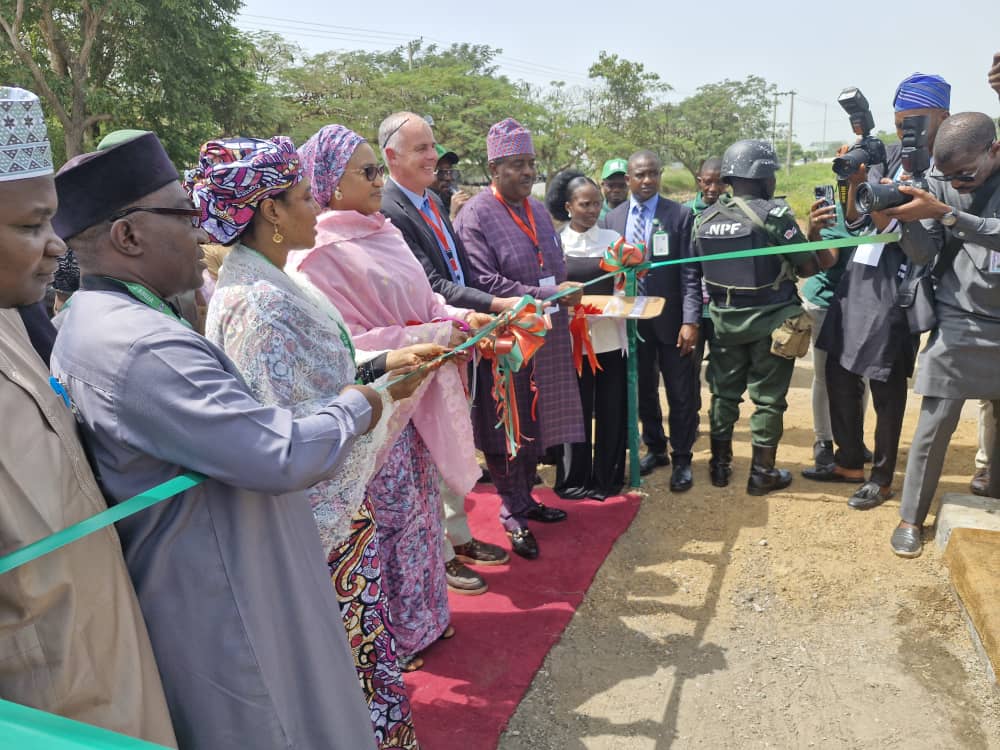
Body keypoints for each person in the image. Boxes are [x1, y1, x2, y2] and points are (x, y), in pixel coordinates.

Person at [50, 130, 380, 750]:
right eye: (182, 213)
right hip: (229, 596)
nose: (202, 229)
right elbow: (279, 452)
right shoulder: (142, 346)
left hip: (220, 571)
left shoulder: (97, 322)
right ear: (127, 235)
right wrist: (357, 406)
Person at [192, 136, 433, 748]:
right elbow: (288, 433)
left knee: (363, 666)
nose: (315, 208)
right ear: (271, 212)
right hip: (317, 527)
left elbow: (322, 377)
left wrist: (381, 363)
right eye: (304, 197)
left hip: (335, 512)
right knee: (347, 676)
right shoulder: (261, 306)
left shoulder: (272, 282)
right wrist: (377, 399)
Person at [0, 86, 176, 748]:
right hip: (44, 711)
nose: (54, 248)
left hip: (113, 671)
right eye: (27, 226)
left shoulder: (16, 324)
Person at [287, 124, 486, 652]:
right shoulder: (316, 253)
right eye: (368, 171)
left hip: (421, 393)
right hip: (379, 410)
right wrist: (437, 333)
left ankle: (428, 616)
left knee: (421, 514)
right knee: (389, 523)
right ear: (329, 183)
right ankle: (397, 637)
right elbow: (345, 345)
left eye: (379, 169)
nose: (379, 181)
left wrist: (461, 321)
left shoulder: (383, 230)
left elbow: (427, 302)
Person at [378, 112, 514, 594]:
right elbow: (432, 284)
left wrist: (482, 312)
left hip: (460, 335)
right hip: (426, 346)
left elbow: (458, 272)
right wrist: (495, 304)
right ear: (391, 157)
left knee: (457, 438)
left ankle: (458, 537)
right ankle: (443, 550)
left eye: (432, 145)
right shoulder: (390, 210)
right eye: (421, 149)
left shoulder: (431, 200)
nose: (433, 156)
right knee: (437, 449)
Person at [806, 73, 953, 508]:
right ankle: (849, 458)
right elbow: (853, 223)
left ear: (942, 118)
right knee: (837, 370)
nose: (906, 131)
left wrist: (889, 218)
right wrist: (856, 179)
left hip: (900, 288)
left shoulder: (947, 168)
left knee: (885, 384)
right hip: (858, 279)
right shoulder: (887, 155)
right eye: (900, 121)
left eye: (916, 121)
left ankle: (883, 476)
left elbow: (927, 248)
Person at [454, 118, 584, 559]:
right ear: (494, 169)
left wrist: (556, 292)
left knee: (538, 419)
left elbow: (555, 260)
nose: (528, 172)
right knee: (508, 424)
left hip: (547, 331)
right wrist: (546, 293)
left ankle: (527, 497)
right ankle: (510, 510)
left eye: (531, 164)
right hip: (506, 340)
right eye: (517, 165)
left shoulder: (539, 209)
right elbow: (483, 279)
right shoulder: (475, 214)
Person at [877, 112, 1000, 557]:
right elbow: (925, 252)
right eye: (947, 176)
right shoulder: (943, 182)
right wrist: (904, 220)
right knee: (935, 423)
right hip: (960, 316)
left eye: (964, 174)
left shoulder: (955, 196)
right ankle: (911, 518)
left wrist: (947, 215)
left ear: (995, 151)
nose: (955, 183)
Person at [693, 139, 828, 495]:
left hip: (724, 323)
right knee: (768, 400)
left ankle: (719, 468)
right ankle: (760, 475)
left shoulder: (703, 219)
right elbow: (808, 267)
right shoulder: (775, 215)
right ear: (764, 177)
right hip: (773, 323)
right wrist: (814, 234)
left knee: (723, 395)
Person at [601, 149, 703, 491]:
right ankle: (656, 448)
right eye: (639, 175)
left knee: (680, 391)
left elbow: (690, 272)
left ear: (660, 176)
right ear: (627, 179)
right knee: (642, 389)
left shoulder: (680, 215)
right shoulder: (611, 220)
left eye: (652, 174)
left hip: (672, 321)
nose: (647, 181)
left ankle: (683, 457)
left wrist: (691, 320)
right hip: (632, 322)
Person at [545, 170, 627, 500]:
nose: (593, 210)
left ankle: (606, 479)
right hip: (569, 343)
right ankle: (571, 479)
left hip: (608, 339)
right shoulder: (554, 244)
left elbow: (625, 287)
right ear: (568, 206)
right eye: (585, 204)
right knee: (573, 412)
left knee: (610, 410)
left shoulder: (614, 242)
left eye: (597, 203)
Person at [683, 157, 728, 352]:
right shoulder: (685, 212)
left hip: (723, 307)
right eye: (708, 182)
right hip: (694, 307)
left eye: (719, 182)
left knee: (724, 367)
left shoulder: (735, 211)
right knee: (689, 365)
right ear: (699, 180)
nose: (713, 188)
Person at [429, 143, 459, 213]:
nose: (448, 178)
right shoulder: (421, 204)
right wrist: (453, 216)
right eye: (441, 172)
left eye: (450, 172)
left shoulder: (448, 199)